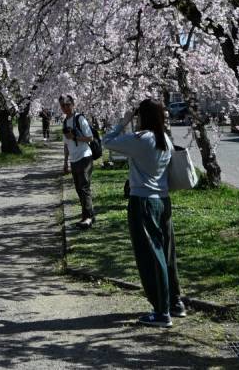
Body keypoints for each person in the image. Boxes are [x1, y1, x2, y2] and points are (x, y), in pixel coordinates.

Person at [103, 98, 184, 328]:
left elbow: (106, 142)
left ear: (142, 117)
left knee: (151, 256)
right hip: (163, 201)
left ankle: (161, 311)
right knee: (167, 252)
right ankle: (175, 302)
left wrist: (123, 121)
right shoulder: (165, 140)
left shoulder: (141, 140)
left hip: (143, 202)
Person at [60, 94, 96, 228]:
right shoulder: (64, 122)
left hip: (85, 156)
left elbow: (90, 138)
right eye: (63, 105)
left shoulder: (79, 118)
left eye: (68, 104)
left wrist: (74, 137)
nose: (66, 107)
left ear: (73, 104)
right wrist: (65, 162)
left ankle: (87, 218)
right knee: (78, 189)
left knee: (84, 187)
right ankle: (89, 215)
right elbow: (66, 144)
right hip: (74, 159)